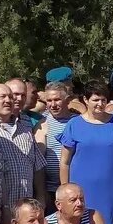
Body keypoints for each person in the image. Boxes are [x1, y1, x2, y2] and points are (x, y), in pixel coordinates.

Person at [59, 80, 113, 224]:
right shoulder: (74, 124)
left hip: (112, 191)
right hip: (83, 192)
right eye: (95, 100)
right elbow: (64, 162)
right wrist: (64, 190)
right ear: (86, 100)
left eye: (103, 100)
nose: (100, 104)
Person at [0, 82, 47, 210]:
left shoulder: (24, 128)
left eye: (10, 97)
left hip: (25, 208)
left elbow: (38, 166)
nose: (9, 100)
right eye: (3, 97)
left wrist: (41, 196)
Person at [37, 80, 77, 208]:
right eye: (49, 101)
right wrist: (41, 193)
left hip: (75, 187)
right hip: (50, 190)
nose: (53, 105)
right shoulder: (43, 123)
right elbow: (39, 162)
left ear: (67, 100)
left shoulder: (78, 122)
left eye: (57, 100)